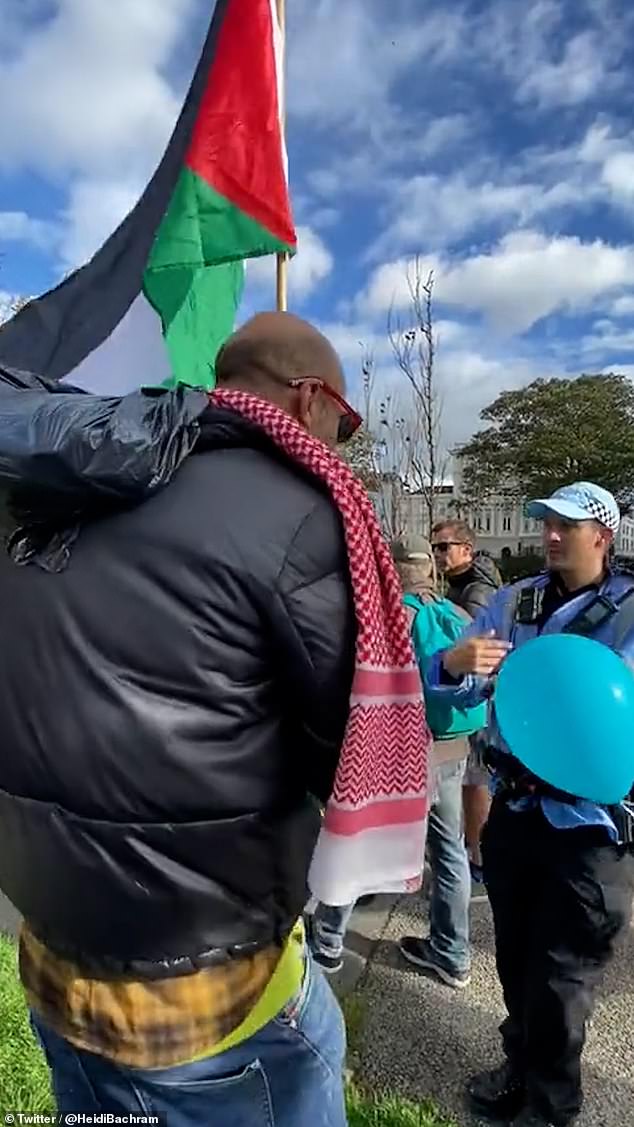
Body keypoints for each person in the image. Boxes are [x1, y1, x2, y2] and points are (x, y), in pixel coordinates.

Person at [0, 312, 366, 1127]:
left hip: (56, 966)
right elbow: (349, 749)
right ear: (308, 399)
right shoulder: (299, 513)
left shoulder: (48, 491)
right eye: (347, 420)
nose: (342, 442)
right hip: (210, 999)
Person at [426, 482, 634, 1127]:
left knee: (564, 976)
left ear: (601, 534)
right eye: (544, 522)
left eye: (565, 526)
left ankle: (551, 1107)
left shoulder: (630, 610)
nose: (548, 535)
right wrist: (453, 662)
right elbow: (455, 686)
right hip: (517, 811)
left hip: (590, 826)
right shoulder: (517, 600)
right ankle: (519, 1068)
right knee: (514, 959)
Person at [394, 535, 488, 989]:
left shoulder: (395, 615)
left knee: (363, 838)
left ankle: (329, 943)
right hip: (454, 745)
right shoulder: (457, 613)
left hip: (406, 749)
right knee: (450, 851)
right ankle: (452, 953)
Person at [432, 520, 502, 885]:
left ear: (467, 550)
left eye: (446, 547)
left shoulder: (475, 592)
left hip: (479, 700)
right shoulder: (463, 584)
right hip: (471, 696)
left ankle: (478, 857)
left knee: (476, 779)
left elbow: (482, 650)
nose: (439, 554)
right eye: (436, 547)